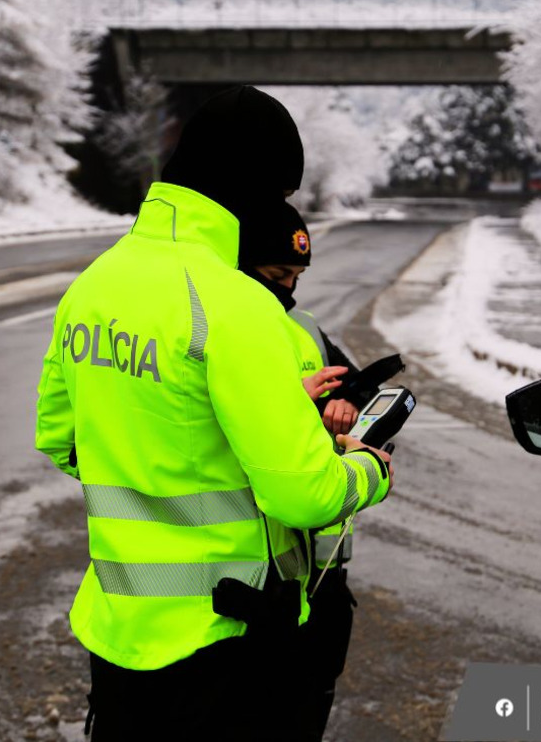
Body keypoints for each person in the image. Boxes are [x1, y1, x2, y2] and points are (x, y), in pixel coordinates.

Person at [34, 86, 396, 741]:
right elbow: (305, 494)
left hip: (118, 634)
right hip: (228, 643)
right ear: (251, 184)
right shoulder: (235, 307)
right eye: (281, 193)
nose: (283, 208)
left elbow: (63, 441)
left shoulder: (94, 286)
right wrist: (368, 467)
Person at [238, 199, 405, 741]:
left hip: (324, 569)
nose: (288, 290)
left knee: (309, 705)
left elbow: (352, 384)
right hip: (259, 577)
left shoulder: (303, 327)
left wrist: (350, 406)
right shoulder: (230, 330)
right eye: (275, 276)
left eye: (297, 276)